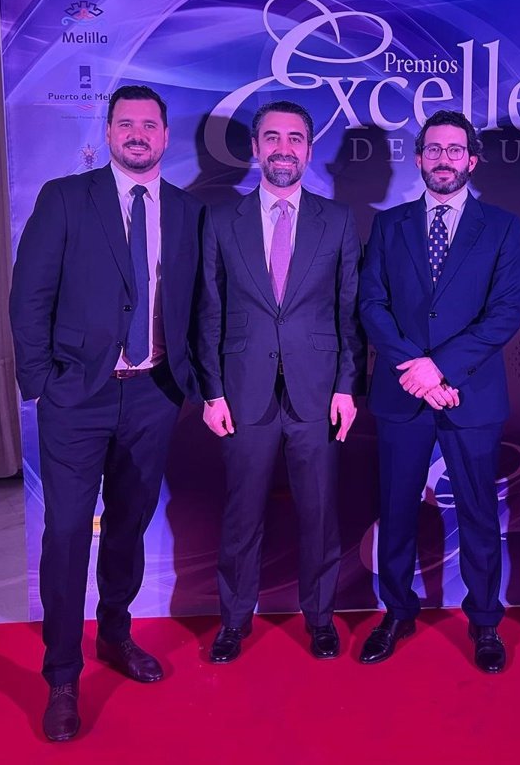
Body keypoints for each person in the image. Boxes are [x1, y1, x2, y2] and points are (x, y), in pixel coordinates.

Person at [9, 85, 205, 741]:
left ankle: (115, 635)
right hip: (76, 397)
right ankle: (62, 676)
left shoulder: (188, 211)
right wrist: (41, 383)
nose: (137, 134)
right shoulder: (66, 198)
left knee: (127, 525)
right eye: (126, 124)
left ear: (166, 135)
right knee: (68, 531)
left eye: (149, 124)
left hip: (154, 394)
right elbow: (29, 295)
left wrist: (193, 386)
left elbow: (199, 304)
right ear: (110, 131)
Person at [357, 110, 520, 673]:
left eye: (456, 150)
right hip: (402, 392)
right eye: (434, 149)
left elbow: (505, 313)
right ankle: (397, 612)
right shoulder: (389, 225)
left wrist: (441, 370)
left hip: (470, 394)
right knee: (396, 510)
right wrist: (415, 369)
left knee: (478, 513)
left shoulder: (502, 227)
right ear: (419, 158)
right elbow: (372, 305)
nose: (444, 159)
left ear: (472, 160)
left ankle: (485, 622)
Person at [200, 100, 363, 663]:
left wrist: (346, 386)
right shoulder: (221, 220)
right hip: (242, 393)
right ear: (255, 148)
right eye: (272, 137)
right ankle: (233, 621)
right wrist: (212, 391)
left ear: (309, 150)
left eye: (295, 138)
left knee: (319, 513)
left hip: (317, 393)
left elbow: (349, 311)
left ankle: (320, 618)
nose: (283, 148)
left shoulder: (337, 220)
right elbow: (209, 311)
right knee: (241, 515)